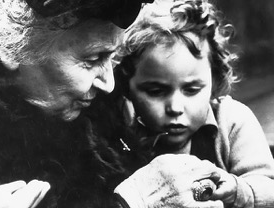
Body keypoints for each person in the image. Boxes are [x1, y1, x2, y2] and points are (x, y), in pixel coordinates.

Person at [0, 0, 159, 207]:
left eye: (112, 58)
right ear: (10, 45)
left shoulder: (99, 117)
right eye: (94, 59)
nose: (109, 85)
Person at [106, 0, 274, 207]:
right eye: (156, 91)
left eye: (192, 90)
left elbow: (269, 188)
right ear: (127, 87)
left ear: (214, 81)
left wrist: (238, 191)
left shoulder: (233, 122)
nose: (175, 108)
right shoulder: (123, 136)